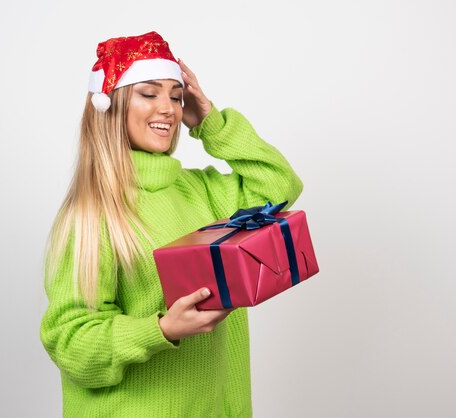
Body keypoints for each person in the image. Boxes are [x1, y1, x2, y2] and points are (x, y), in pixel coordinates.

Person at [40, 31, 303, 417]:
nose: (169, 108)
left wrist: (210, 122)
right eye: (149, 93)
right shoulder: (92, 214)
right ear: (110, 105)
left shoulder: (202, 192)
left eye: (176, 97)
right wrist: (160, 330)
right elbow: (69, 342)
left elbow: (281, 184)